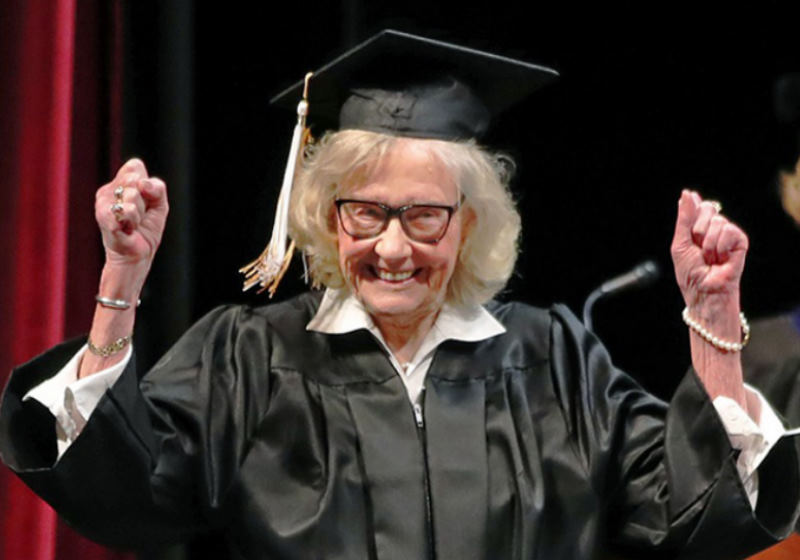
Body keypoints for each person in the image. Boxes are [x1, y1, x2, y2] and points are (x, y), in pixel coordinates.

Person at [1, 29, 799, 560]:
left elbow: (693, 512)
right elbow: (126, 492)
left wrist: (715, 329)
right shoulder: (250, 357)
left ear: (470, 223)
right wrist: (120, 282)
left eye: (423, 216)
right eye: (366, 212)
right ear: (327, 214)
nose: (391, 248)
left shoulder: (553, 358)